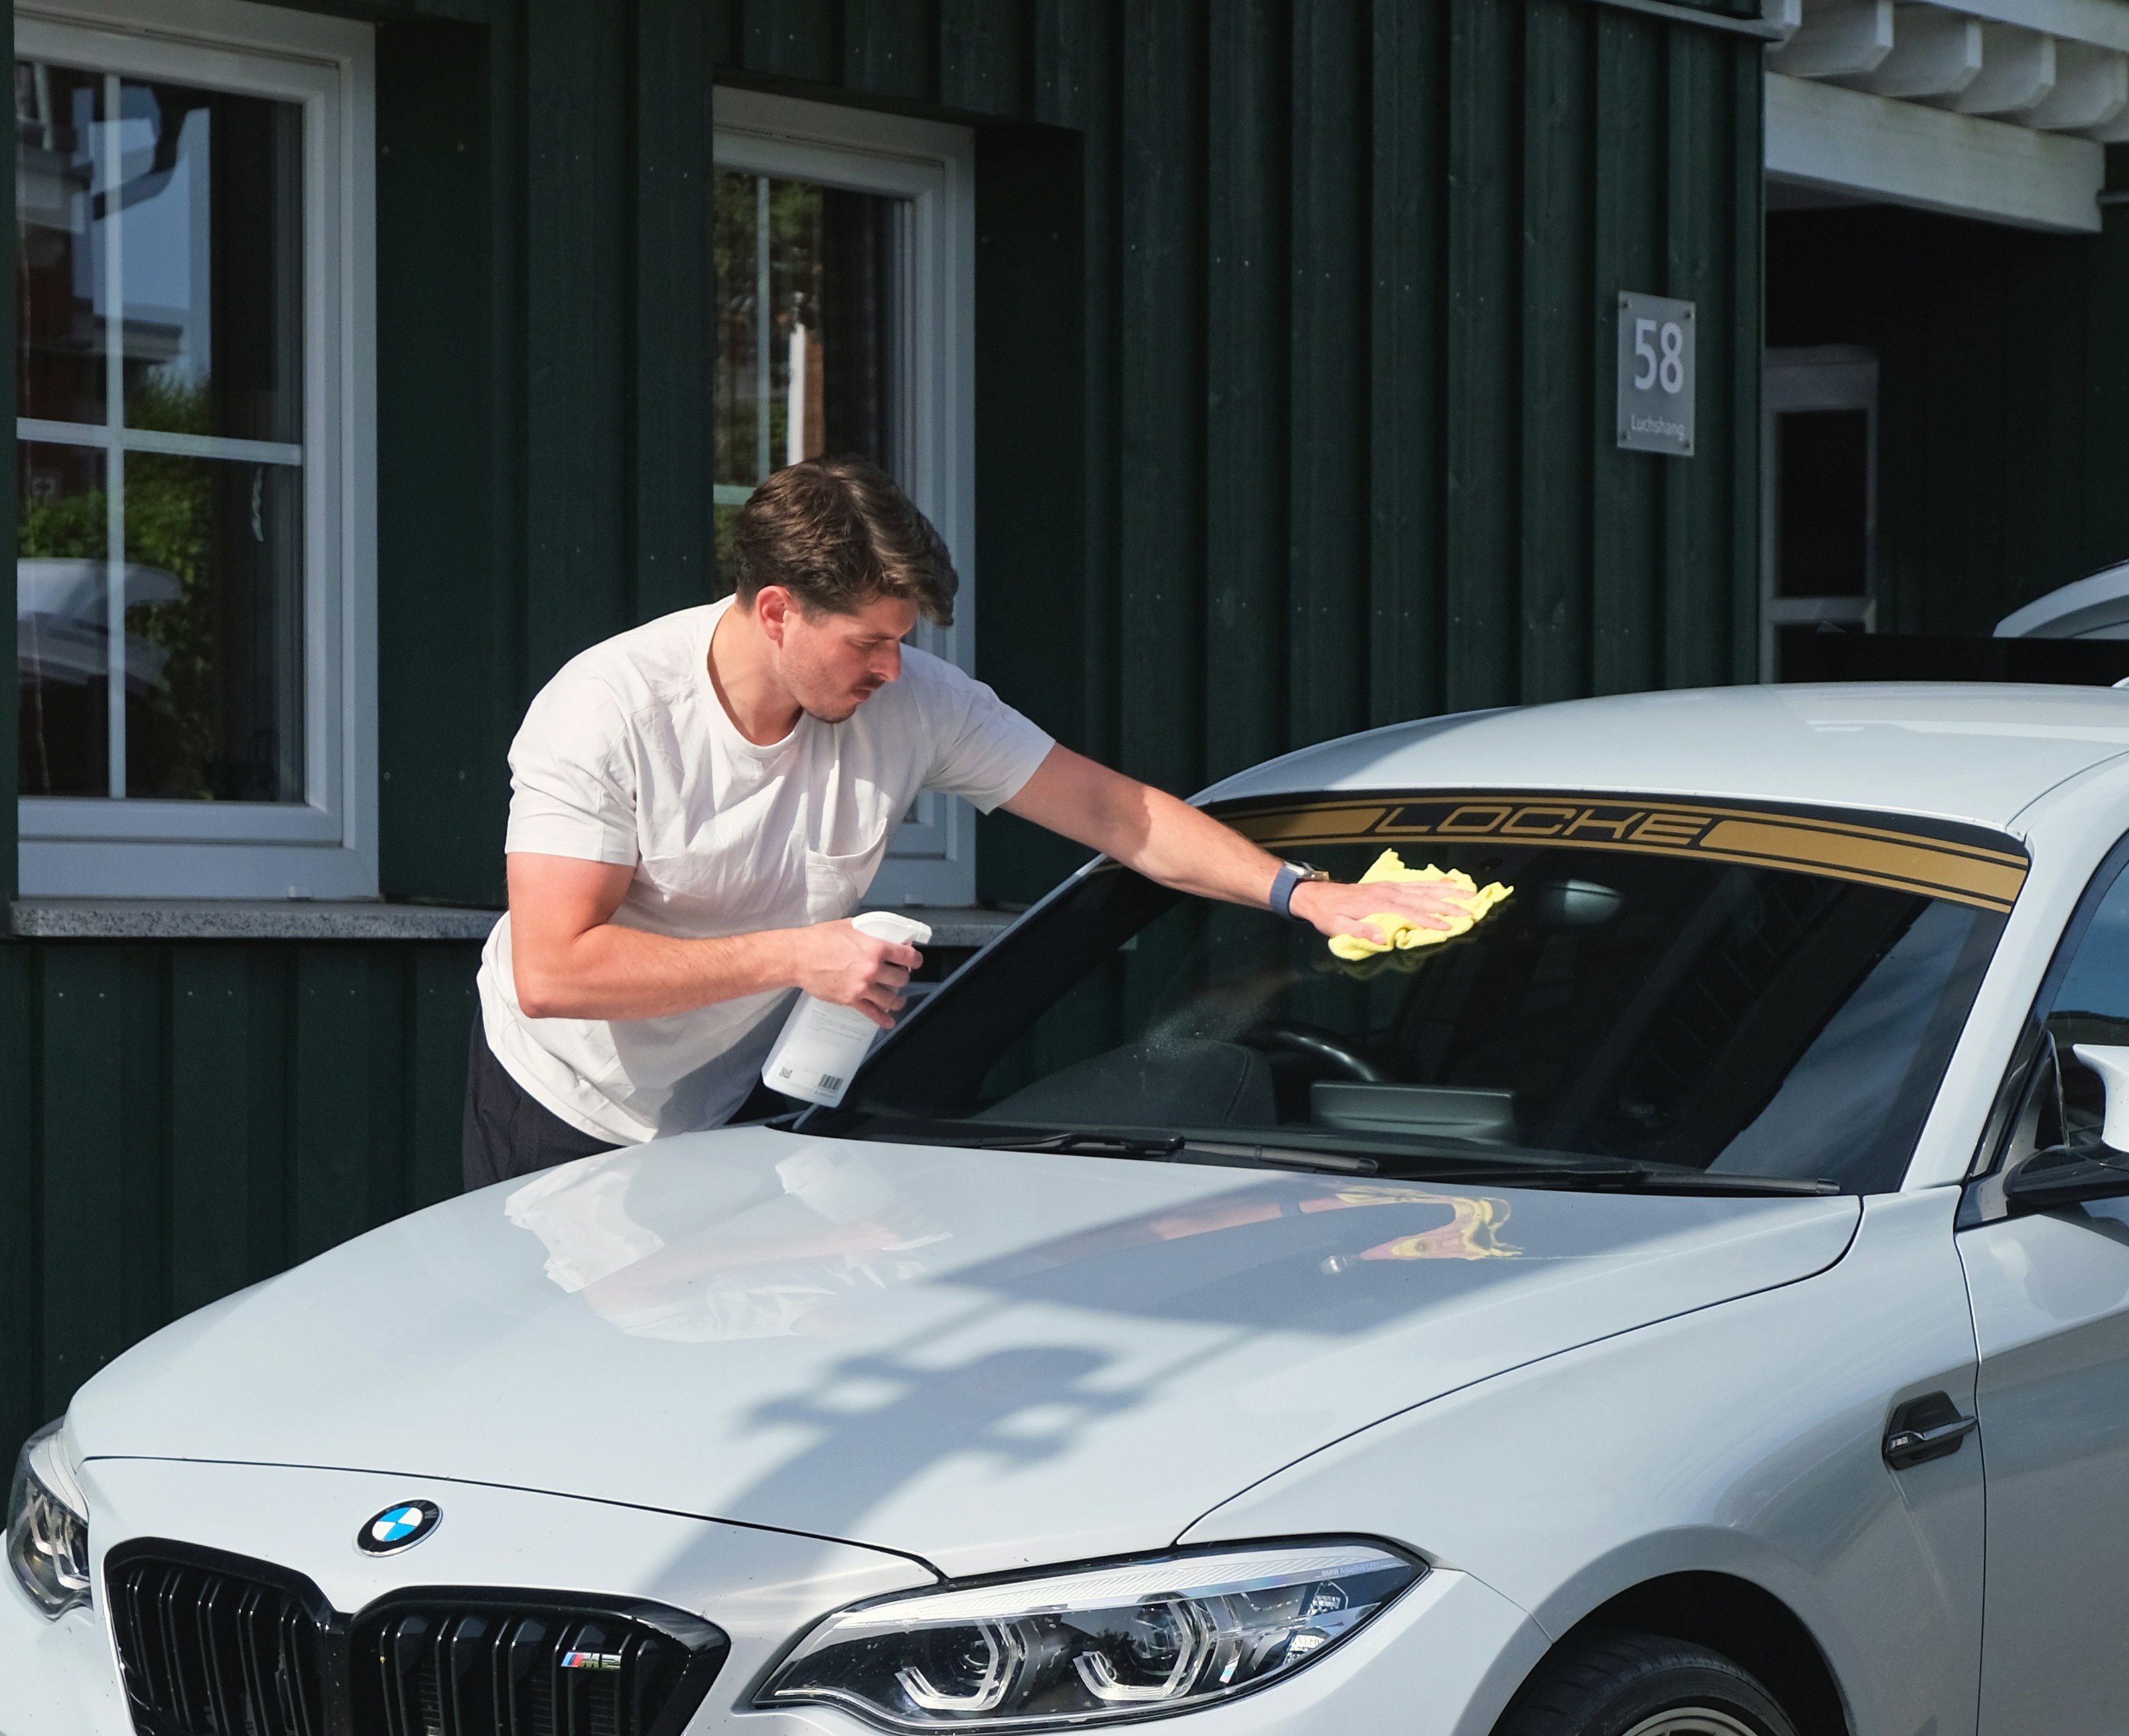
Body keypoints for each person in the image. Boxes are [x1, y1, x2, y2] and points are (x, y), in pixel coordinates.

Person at [462, 457, 1464, 1189]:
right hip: (568, 1105)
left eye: (903, 642)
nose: (892, 670)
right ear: (777, 612)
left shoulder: (913, 701)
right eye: (869, 643)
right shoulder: (606, 709)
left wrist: (1310, 894)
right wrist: (801, 957)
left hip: (742, 1102)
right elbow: (554, 973)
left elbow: (1115, 811)